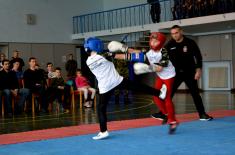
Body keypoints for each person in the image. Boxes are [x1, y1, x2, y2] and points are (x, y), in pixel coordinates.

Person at [84, 37, 167, 140]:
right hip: (117, 81)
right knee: (138, 87)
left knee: (101, 109)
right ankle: (160, 93)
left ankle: (103, 131)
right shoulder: (104, 55)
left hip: (104, 87)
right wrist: (138, 55)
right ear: (97, 46)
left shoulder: (88, 61)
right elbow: (123, 56)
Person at [109, 32, 179, 134]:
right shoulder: (150, 53)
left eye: (156, 41)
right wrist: (116, 53)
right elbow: (133, 54)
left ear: (161, 43)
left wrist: (147, 68)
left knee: (167, 98)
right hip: (161, 76)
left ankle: (173, 121)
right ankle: (165, 114)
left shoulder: (164, 52)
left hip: (169, 76)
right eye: (152, 40)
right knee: (156, 96)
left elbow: (159, 68)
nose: (153, 42)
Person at [152, 25, 213, 121]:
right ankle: (162, 113)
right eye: (172, 34)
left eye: (176, 33)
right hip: (175, 74)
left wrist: (198, 70)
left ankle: (202, 114)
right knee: (168, 94)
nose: (174, 35)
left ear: (181, 32)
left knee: (195, 94)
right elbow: (164, 57)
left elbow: (198, 57)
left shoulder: (190, 43)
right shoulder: (170, 44)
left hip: (190, 73)